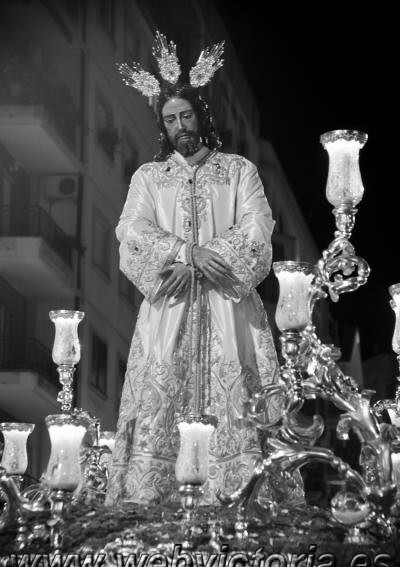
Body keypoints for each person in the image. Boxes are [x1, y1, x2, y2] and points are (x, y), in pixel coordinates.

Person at [106, 34, 303, 506]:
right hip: (169, 307)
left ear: (202, 116)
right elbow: (130, 230)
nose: (180, 126)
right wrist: (185, 253)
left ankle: (245, 497)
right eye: (170, 119)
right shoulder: (149, 178)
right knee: (160, 400)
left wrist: (204, 259)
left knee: (242, 401)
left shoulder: (238, 170)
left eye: (186, 116)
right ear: (163, 126)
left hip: (229, 308)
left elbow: (258, 226)